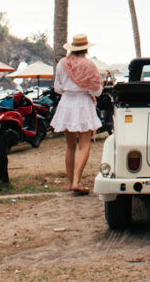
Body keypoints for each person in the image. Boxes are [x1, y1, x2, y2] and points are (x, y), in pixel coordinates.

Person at [51, 34, 102, 195]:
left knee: (70, 146)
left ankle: (69, 182)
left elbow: (57, 88)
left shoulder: (62, 64)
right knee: (85, 145)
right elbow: (96, 91)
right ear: (86, 48)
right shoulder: (89, 65)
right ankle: (77, 181)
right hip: (82, 104)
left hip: (66, 103)